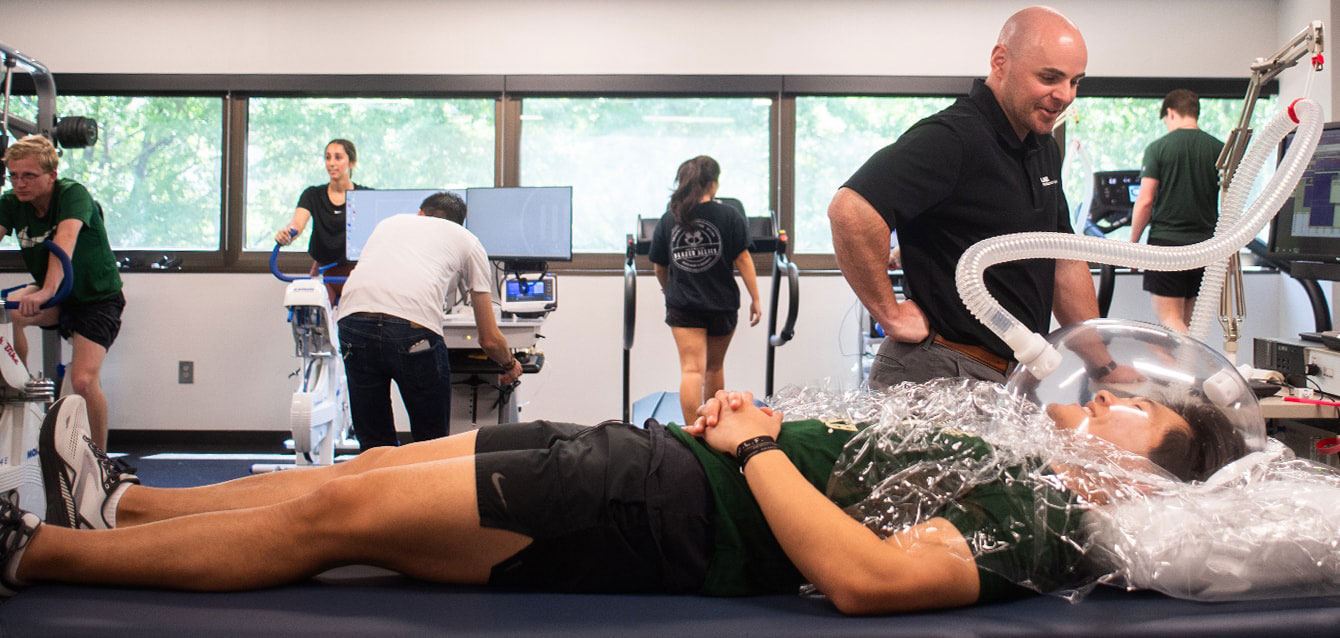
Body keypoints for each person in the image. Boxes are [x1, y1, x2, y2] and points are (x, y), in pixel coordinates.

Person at [0, 374, 1244, 614]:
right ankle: (121, 506)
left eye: (1136, 401)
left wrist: (754, 448)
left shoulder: (1038, 514)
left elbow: (867, 576)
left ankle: (39, 556)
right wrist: (744, 426)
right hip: (660, 463)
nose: (1109, 388)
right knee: (361, 469)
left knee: (337, 522)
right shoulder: (1017, 457)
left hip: (659, 507)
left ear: (1146, 460)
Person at [828, 6, 1101, 388]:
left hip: (1009, 374)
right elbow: (851, 209)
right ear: (1000, 61)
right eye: (1050, 78)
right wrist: (889, 314)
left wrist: (1103, 363)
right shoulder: (954, 137)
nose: (1065, 95)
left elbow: (1063, 261)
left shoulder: (1043, 147)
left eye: (1075, 82)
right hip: (941, 371)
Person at [337, 192, 522, 451]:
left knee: (374, 443)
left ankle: (377, 487)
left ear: (421, 213)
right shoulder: (467, 241)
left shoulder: (389, 223)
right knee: (430, 443)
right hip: (412, 331)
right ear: (459, 224)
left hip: (352, 321)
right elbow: (489, 339)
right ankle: (428, 485)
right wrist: (510, 364)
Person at [0, 135, 124, 450]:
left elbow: (63, 244)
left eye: (28, 176)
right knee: (8, 315)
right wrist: (45, 292)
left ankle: (100, 461)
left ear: (51, 175)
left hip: (97, 300)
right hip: (54, 294)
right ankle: (20, 389)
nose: (20, 183)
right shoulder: (11, 203)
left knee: (82, 381)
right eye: (14, 175)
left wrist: (46, 292)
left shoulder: (72, 195)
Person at [649, 156, 761, 425]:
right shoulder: (730, 215)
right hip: (721, 303)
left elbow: (659, 267)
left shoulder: (669, 219)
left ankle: (692, 432)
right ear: (713, 183)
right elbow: (743, 260)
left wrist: (669, 291)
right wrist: (755, 299)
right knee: (714, 367)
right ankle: (713, 429)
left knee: (690, 370)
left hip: (683, 305)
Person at [1128, 90, 1225, 333]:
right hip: (1204, 248)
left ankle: (1191, 371)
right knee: (1190, 324)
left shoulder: (1158, 148)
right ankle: (1192, 371)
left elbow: (1145, 201)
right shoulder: (1219, 149)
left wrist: (1132, 245)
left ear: (1170, 112)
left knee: (1170, 322)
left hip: (1166, 247)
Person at [274, 139, 366, 305]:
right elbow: (297, 224)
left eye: (338, 158)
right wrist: (287, 235)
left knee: (356, 320)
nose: (331, 163)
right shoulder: (313, 195)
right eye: (328, 157)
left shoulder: (364, 196)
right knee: (313, 315)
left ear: (351, 163)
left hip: (354, 271)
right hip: (324, 269)